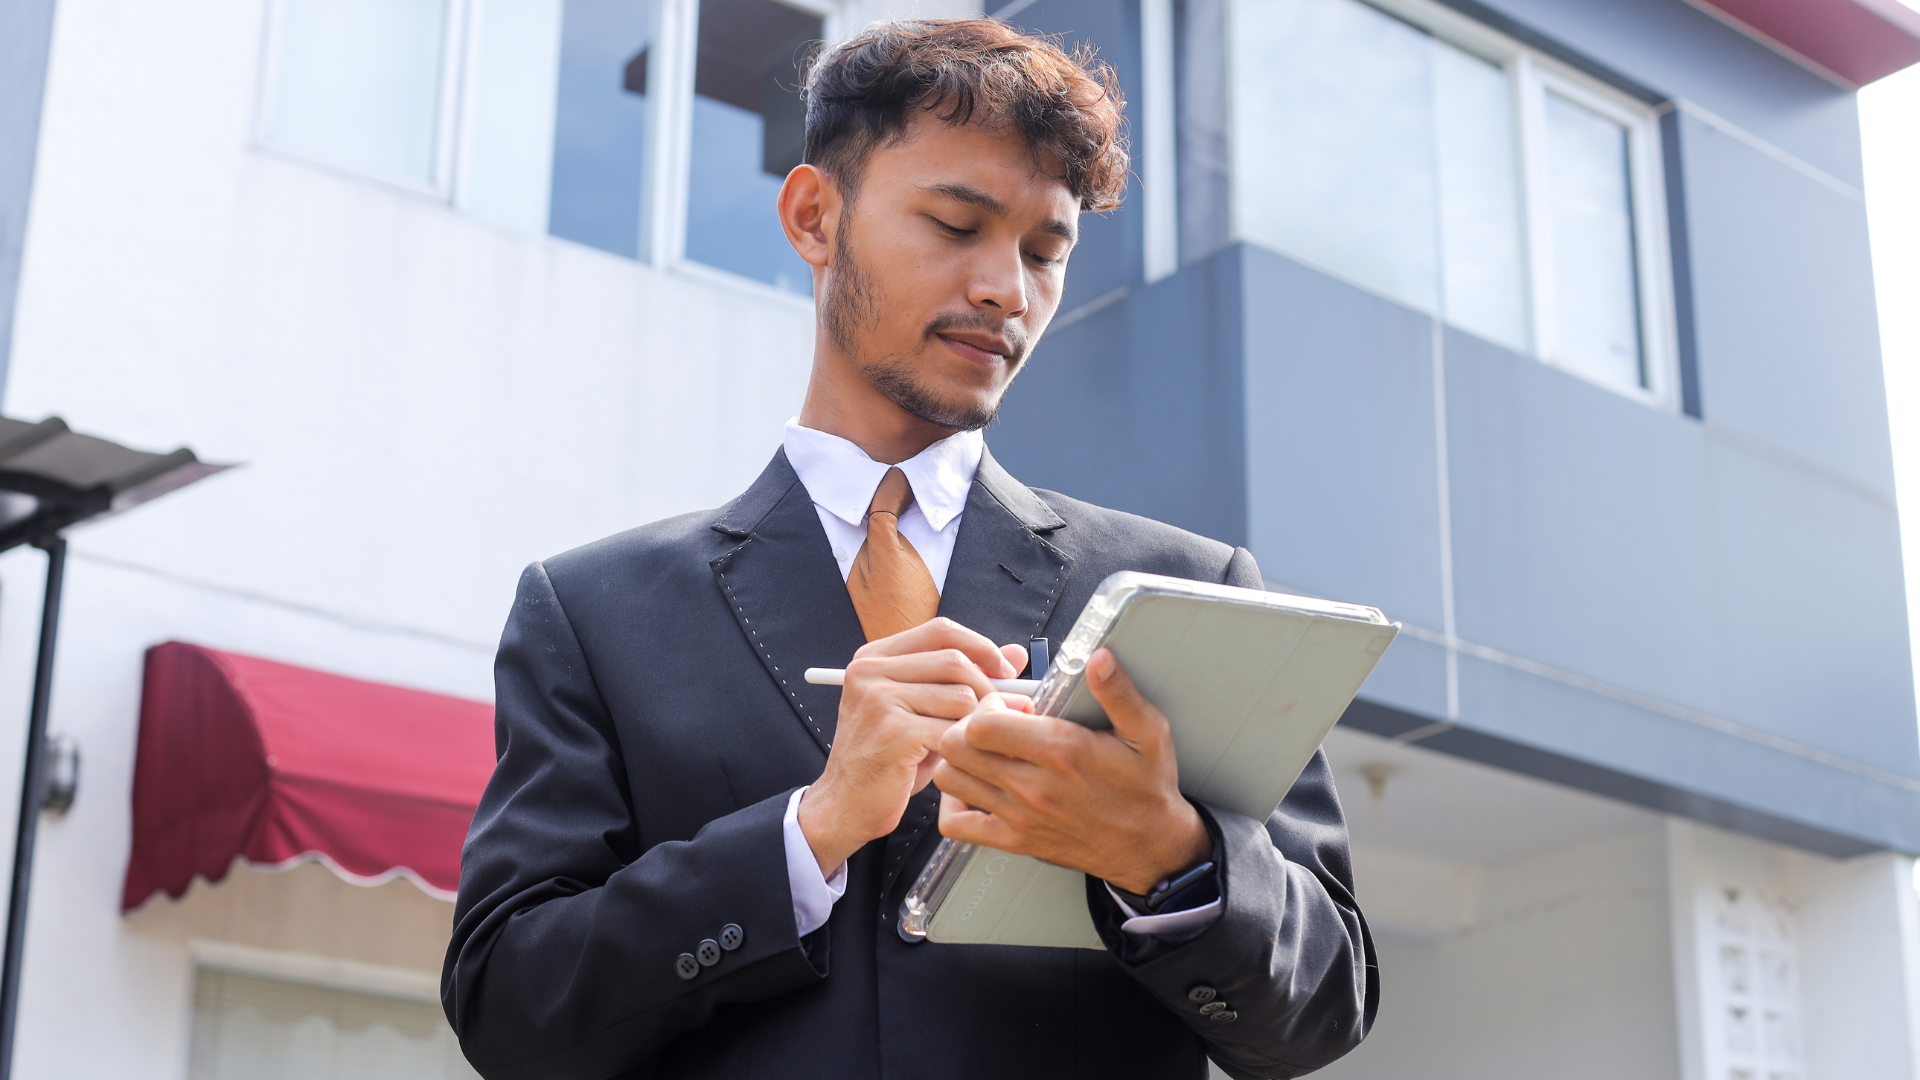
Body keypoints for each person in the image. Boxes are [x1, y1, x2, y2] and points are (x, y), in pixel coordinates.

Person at [443, 18, 1375, 1080]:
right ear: (814, 217)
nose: (1006, 290)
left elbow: (1325, 1005)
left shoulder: (1190, 591)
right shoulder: (595, 613)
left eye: (1043, 251)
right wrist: (809, 830)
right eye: (955, 223)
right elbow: (510, 1012)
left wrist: (1167, 857)